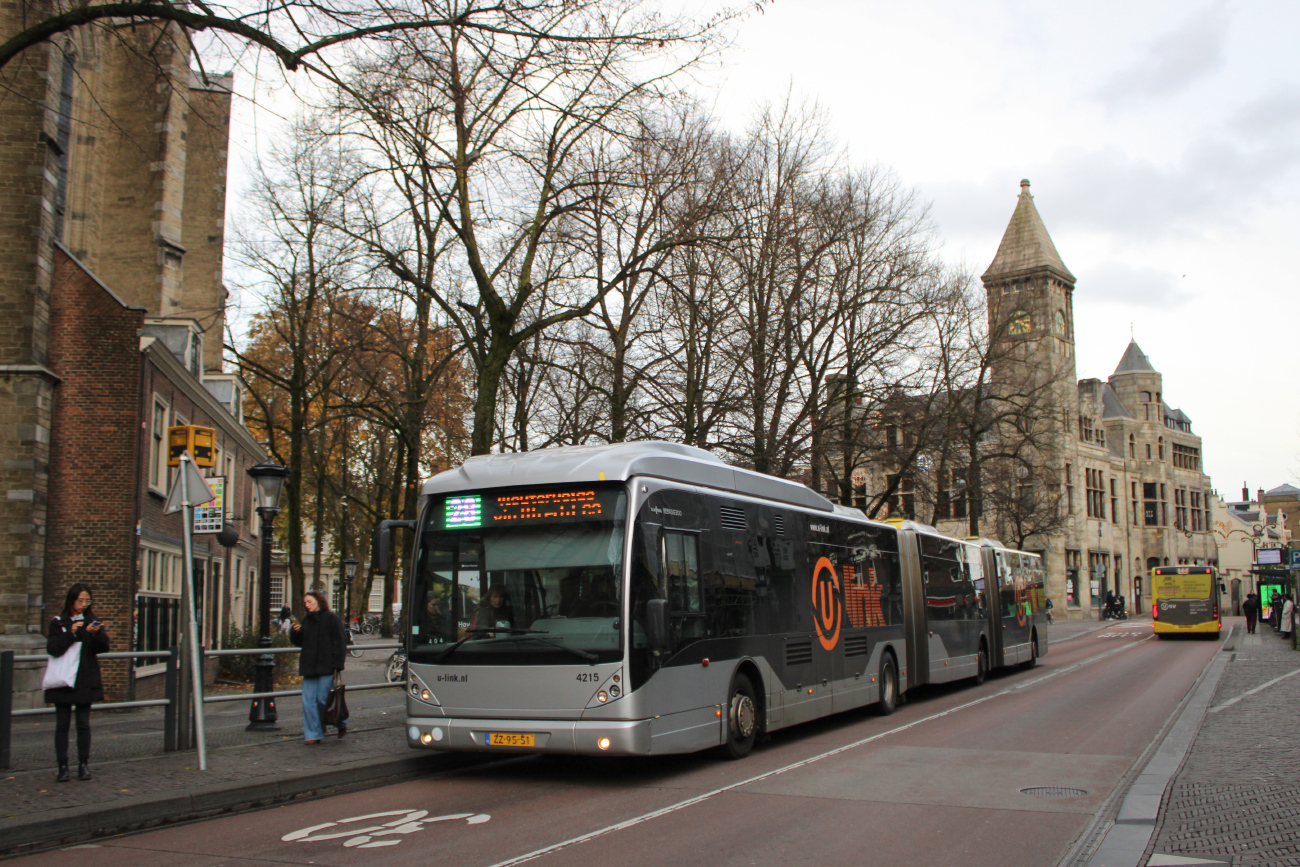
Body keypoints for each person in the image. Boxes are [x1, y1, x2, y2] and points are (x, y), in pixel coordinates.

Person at [45, 583, 110, 782]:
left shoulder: (92, 621)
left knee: (83, 724)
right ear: (71, 600)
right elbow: (53, 649)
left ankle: (83, 764)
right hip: (64, 679)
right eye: (79, 600)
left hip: (84, 679)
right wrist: (71, 634)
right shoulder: (59, 622)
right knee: (62, 724)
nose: (83, 605)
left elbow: (103, 648)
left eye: (86, 601)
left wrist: (95, 634)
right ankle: (62, 766)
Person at [289, 590, 348, 743]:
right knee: (308, 701)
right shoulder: (306, 620)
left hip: (326, 666)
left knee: (323, 700)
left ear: (318, 601)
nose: (306, 605)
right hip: (309, 666)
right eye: (305, 603)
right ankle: (313, 734)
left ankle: (340, 722)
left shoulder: (332, 619)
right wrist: (296, 632)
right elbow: (300, 641)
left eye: (309, 601)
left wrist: (337, 664)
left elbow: (340, 642)